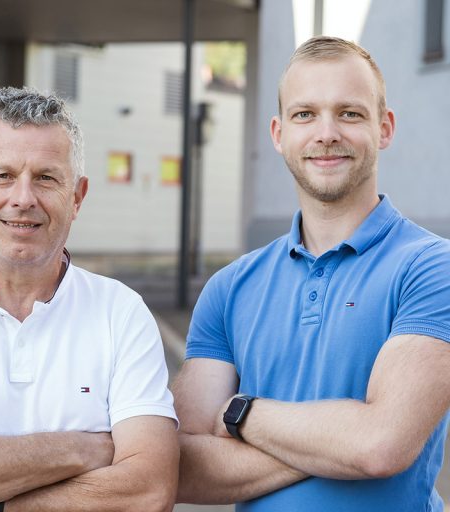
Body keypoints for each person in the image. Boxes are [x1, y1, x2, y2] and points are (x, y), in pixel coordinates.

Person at [173, 36, 450, 511]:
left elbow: (381, 446)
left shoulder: (431, 268)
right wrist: (343, 440)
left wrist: (239, 414)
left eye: (349, 113)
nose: (326, 133)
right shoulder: (229, 288)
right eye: (305, 114)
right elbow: (181, 468)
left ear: (384, 128)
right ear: (279, 134)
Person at [0, 87, 179, 512]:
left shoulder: (121, 313)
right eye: (2, 175)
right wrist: (81, 450)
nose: (23, 198)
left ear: (77, 197)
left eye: (46, 178)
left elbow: (148, 489)